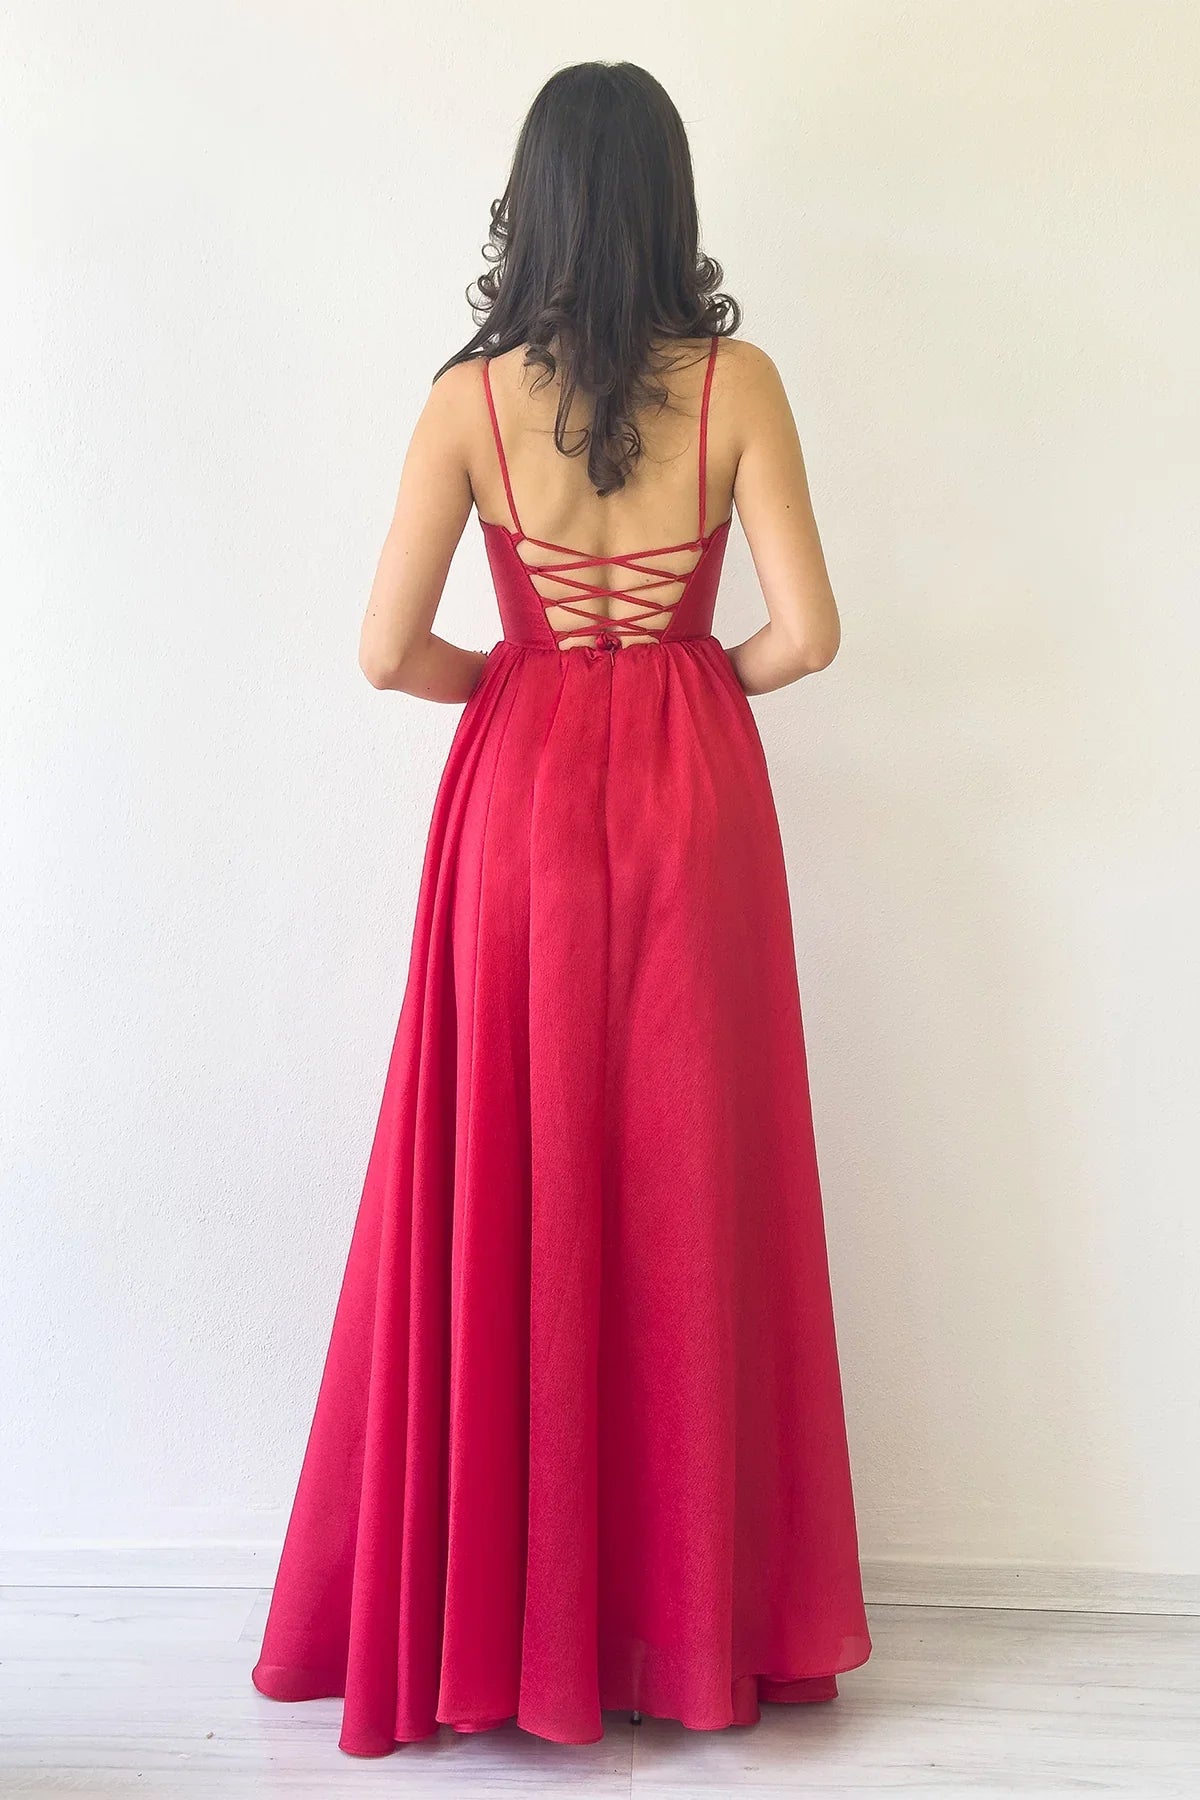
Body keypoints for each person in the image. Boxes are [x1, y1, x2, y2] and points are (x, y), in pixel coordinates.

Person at [251, 58, 871, 1757]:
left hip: (517, 807)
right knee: (689, 1180)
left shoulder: (468, 402)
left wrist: (527, 685)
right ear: (669, 206)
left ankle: (503, 1637)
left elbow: (386, 653)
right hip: (693, 799)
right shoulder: (740, 384)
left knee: (507, 1175)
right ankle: (690, 1637)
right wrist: (685, 680)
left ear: (529, 209)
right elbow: (810, 634)